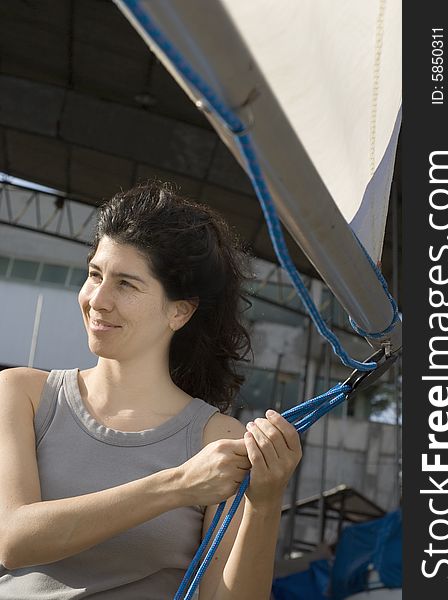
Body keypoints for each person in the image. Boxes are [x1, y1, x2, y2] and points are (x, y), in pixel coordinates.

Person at [0, 181, 302, 599]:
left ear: (180, 311)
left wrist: (264, 506)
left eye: (126, 284)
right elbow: (15, 540)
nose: (98, 300)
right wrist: (176, 485)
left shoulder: (219, 439)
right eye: (95, 274)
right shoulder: (20, 393)